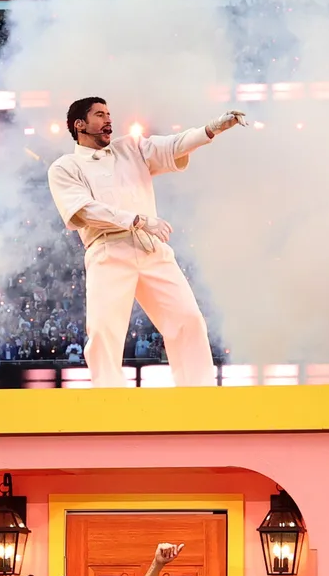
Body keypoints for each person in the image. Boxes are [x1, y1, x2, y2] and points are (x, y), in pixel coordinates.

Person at [45, 98, 247, 387]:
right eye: (99, 115)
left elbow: (172, 145)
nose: (108, 119)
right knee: (103, 331)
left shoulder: (131, 147)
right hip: (108, 251)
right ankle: (109, 397)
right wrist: (137, 219)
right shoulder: (65, 167)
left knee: (188, 320)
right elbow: (84, 210)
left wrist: (210, 129)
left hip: (151, 248)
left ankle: (198, 393)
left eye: (109, 114)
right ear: (80, 125)